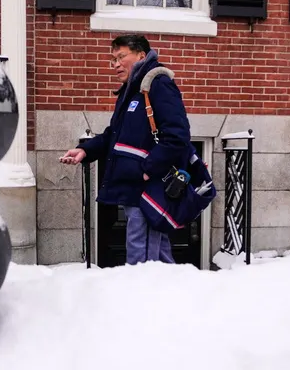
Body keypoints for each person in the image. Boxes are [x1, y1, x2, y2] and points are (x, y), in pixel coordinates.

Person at [60, 35, 192, 265]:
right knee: (155, 255)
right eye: (113, 60)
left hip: (149, 188)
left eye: (121, 57)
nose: (116, 64)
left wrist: (147, 170)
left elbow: (178, 137)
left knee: (143, 259)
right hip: (135, 188)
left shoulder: (157, 84)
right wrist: (86, 151)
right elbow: (114, 134)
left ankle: (142, 300)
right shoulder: (131, 91)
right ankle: (173, 299)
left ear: (141, 55)